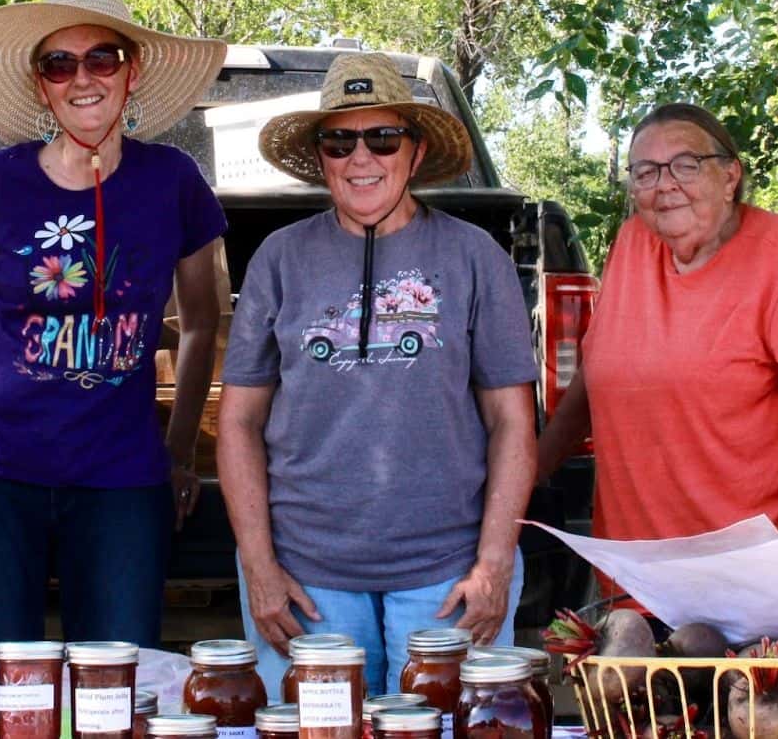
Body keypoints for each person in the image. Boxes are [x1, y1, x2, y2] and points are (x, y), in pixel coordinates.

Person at [0, 0, 228, 647]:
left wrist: (180, 451)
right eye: (59, 64)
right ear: (42, 88)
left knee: (115, 684)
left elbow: (203, 322)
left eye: (102, 58)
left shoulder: (174, 181)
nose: (82, 79)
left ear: (132, 73)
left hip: (121, 483)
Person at [218, 53, 539, 698]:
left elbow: (512, 422)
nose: (361, 158)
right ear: (321, 156)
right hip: (306, 580)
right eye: (340, 141)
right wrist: (258, 565)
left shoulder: (475, 257)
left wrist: (495, 563)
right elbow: (239, 420)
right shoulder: (279, 260)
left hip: (447, 579)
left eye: (382, 138)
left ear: (415, 153)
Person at [537, 103, 778, 610]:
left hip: (777, 564)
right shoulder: (634, 243)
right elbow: (598, 378)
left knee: (762, 694)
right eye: (646, 171)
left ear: (730, 176)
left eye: (686, 164)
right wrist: (531, 471)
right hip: (654, 569)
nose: (665, 184)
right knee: (642, 690)